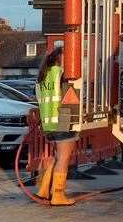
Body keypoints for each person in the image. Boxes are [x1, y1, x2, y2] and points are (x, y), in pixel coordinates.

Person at [35, 43, 78, 206]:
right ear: (60, 59)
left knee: (57, 156)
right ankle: (58, 195)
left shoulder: (42, 76)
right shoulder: (61, 74)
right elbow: (70, 96)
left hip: (48, 124)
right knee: (64, 159)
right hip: (63, 119)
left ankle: (44, 190)